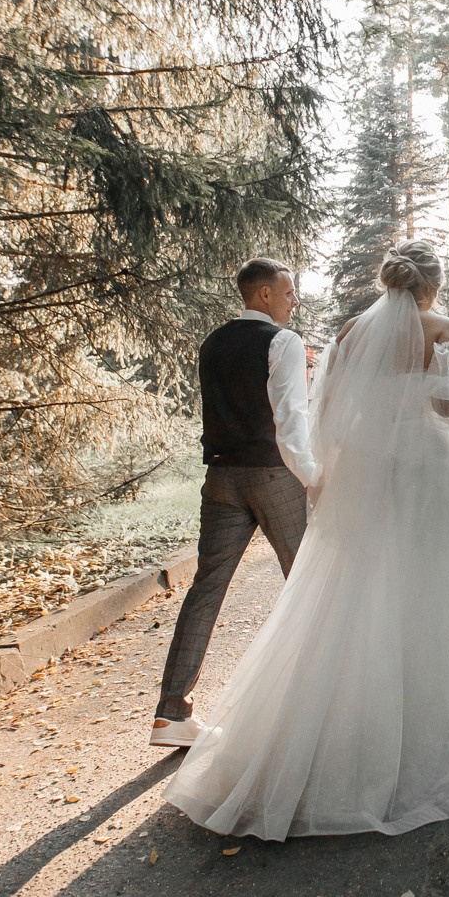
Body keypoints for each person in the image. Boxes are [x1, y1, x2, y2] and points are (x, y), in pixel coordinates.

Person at [162, 239, 449, 839]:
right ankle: (432, 724)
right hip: (428, 471)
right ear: (432, 284)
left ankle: (363, 720)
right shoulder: (442, 329)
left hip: (371, 475)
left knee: (369, 593)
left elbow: (329, 410)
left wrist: (331, 475)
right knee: (437, 590)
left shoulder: (349, 335)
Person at [149, 257, 320, 749]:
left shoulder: (213, 342)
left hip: (221, 477)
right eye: (288, 291)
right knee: (308, 582)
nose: (294, 300)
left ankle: (171, 714)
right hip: (272, 474)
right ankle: (319, 706)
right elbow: (291, 421)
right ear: (264, 294)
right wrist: (313, 478)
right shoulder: (283, 342)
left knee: (205, 590)